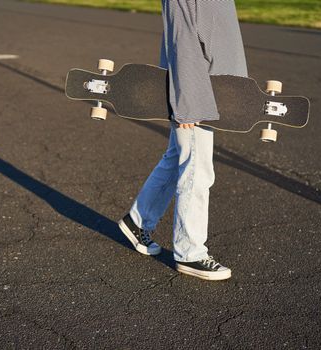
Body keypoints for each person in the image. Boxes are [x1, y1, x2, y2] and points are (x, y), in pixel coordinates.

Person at [118, 1, 248, 281]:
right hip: (196, 93)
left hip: (212, 90)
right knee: (197, 168)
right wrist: (188, 101)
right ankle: (190, 253)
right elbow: (182, 40)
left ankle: (137, 221)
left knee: (178, 156)